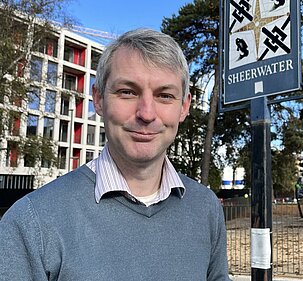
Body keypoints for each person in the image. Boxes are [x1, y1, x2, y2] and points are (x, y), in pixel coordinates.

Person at [0, 29, 230, 280]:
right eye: (128, 92)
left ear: (184, 107)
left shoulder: (205, 208)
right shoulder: (32, 223)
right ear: (98, 99)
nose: (147, 113)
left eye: (165, 95)